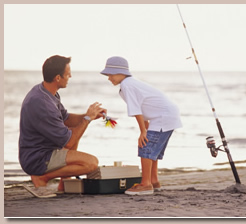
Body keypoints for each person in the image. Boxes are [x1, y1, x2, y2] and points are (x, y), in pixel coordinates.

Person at [19, 55, 106, 198]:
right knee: (91, 164)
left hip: (45, 151)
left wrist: (90, 115)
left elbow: (66, 119)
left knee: (75, 129)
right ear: (58, 78)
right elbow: (69, 142)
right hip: (37, 158)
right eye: (68, 73)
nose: (70, 76)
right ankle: (42, 178)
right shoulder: (42, 103)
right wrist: (87, 119)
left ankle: (64, 182)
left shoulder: (47, 93)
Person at [100, 56, 182, 195]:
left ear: (121, 73)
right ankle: (153, 181)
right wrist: (145, 129)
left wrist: (143, 131)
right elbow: (141, 110)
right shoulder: (129, 84)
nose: (109, 78)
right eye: (108, 74)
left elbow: (137, 111)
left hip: (163, 116)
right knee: (152, 150)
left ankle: (146, 184)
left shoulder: (127, 85)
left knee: (145, 146)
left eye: (111, 74)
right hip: (166, 115)